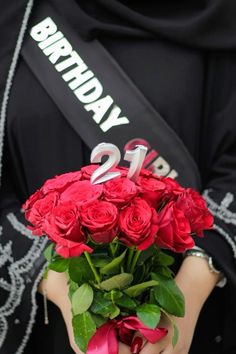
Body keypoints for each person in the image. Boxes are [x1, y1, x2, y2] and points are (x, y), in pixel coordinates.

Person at [1, 0, 236, 353]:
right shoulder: (11, 21)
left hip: (198, 325)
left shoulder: (218, 16)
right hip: (49, 328)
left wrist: (184, 301)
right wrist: (66, 292)